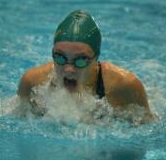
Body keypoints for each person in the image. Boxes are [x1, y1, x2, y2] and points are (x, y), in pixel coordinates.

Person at [18, 10, 153, 123]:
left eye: (81, 59)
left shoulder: (123, 86)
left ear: (96, 58)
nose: (68, 69)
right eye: (60, 57)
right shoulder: (33, 83)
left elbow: (148, 130)